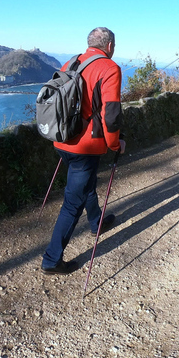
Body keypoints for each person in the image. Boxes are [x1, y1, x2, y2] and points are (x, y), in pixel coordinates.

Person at [41, 27, 126, 275]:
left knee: (85, 184)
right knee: (72, 204)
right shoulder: (110, 68)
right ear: (109, 45)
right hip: (86, 146)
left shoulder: (72, 61)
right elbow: (111, 115)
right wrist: (115, 144)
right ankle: (51, 260)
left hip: (61, 140)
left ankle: (96, 221)